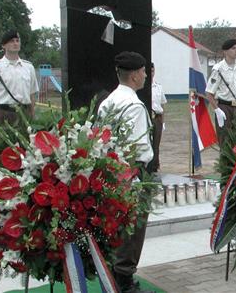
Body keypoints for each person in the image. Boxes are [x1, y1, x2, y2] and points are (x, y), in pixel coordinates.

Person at [98, 51, 154, 293]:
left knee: (117, 225)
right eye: (143, 72)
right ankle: (124, 281)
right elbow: (135, 146)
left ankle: (114, 274)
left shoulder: (108, 101)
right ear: (133, 75)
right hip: (130, 173)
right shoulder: (133, 105)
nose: (145, 76)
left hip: (111, 171)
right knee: (133, 229)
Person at [0, 29, 39, 136]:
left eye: (17, 40)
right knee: (0, 149)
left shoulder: (28, 67)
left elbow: (32, 95)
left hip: (24, 114)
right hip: (2, 114)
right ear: (3, 46)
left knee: (25, 149)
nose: (15, 43)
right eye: (11, 41)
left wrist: (33, 117)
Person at [205, 39, 236, 148]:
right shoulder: (218, 69)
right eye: (233, 48)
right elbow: (209, 93)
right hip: (225, 108)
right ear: (225, 51)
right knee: (225, 141)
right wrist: (217, 110)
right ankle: (225, 165)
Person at [151, 62, 167, 172]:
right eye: (149, 71)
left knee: (156, 144)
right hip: (148, 117)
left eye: (153, 71)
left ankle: (155, 167)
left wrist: (163, 122)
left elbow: (162, 105)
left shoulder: (158, 87)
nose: (151, 73)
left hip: (157, 117)